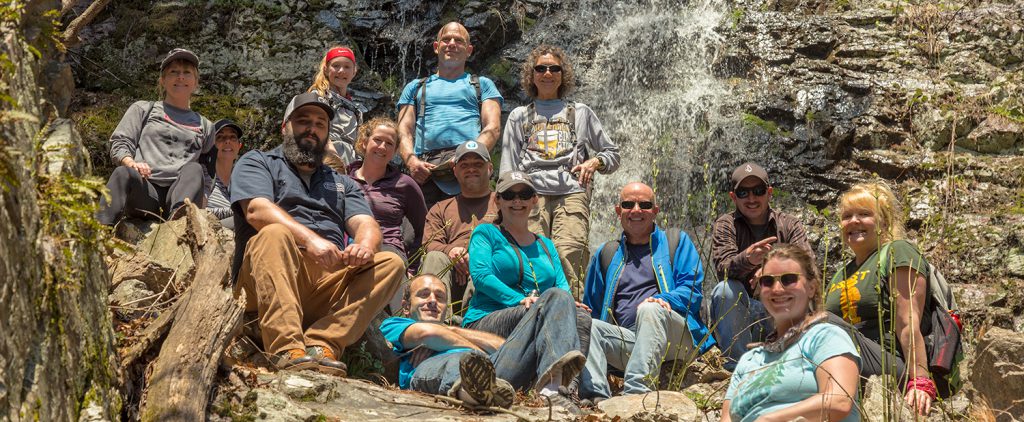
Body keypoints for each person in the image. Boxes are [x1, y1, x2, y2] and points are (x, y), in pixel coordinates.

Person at [230, 92, 405, 377]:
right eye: (303, 121)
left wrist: (365, 246)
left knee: (391, 263)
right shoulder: (258, 161)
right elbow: (256, 211)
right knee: (274, 234)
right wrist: (310, 240)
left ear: (327, 134)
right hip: (268, 279)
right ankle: (285, 348)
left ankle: (322, 343)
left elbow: (367, 225)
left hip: (327, 284)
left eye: (320, 124)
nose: (312, 129)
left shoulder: (342, 182)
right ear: (285, 126)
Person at [500, 44, 620, 296]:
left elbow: (613, 154)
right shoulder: (519, 115)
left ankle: (573, 315)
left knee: (569, 253)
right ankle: (530, 314)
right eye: (540, 68)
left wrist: (594, 162)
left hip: (572, 194)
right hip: (530, 196)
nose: (547, 73)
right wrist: (508, 200)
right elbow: (508, 168)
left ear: (562, 75)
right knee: (531, 257)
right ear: (531, 75)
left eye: (554, 68)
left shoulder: (581, 112)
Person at [580, 182, 714, 400]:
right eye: (628, 204)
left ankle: (636, 393)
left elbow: (692, 292)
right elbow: (593, 307)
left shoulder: (676, 241)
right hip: (631, 342)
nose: (635, 210)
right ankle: (596, 397)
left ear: (655, 211)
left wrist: (660, 300)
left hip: (676, 338)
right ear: (617, 211)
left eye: (644, 204)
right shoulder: (606, 253)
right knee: (589, 326)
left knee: (650, 310)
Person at [380, 274, 586, 411]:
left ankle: (551, 393)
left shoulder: (454, 328)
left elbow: (500, 346)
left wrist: (448, 331)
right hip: (432, 369)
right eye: (423, 295)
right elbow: (427, 333)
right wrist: (476, 352)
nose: (433, 300)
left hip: (494, 370)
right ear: (406, 306)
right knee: (458, 362)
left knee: (558, 296)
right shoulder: (394, 323)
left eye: (440, 296)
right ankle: (474, 392)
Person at [464, 172, 592, 376]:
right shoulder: (486, 233)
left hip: (535, 310)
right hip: (488, 317)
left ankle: (567, 388)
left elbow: (561, 283)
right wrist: (519, 300)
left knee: (582, 318)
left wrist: (568, 301)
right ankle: (550, 383)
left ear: (534, 200)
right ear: (498, 200)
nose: (517, 201)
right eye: (509, 195)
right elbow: (481, 277)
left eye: (524, 194)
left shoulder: (546, 244)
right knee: (542, 311)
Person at [826, 182, 935, 416]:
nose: (853, 221)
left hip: (889, 363)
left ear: (883, 220)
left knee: (819, 321)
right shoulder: (839, 274)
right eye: (847, 216)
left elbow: (908, 322)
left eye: (864, 214)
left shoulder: (898, 251)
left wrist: (920, 380)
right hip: (845, 361)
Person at [722, 244, 860, 422]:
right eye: (768, 281)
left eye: (788, 279)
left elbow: (839, 401)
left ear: (811, 287)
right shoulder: (749, 360)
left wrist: (770, 419)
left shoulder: (825, 337)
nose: (777, 289)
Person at [709, 162, 813, 370]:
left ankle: (794, 360)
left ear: (769, 192)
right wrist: (747, 259)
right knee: (724, 290)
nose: (752, 198)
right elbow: (723, 269)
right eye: (743, 192)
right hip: (744, 319)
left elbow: (808, 265)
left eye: (758, 191)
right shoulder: (725, 225)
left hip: (782, 313)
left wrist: (771, 272)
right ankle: (737, 368)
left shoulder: (790, 224)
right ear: (733, 197)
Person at [98, 48, 214, 225]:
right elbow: (120, 142)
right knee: (123, 173)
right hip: (146, 191)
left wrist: (204, 200)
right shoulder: (144, 109)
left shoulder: (205, 125)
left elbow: (207, 171)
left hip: (182, 194)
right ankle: (99, 232)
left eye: (187, 73)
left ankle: (178, 222)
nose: (180, 77)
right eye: (173, 72)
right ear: (162, 80)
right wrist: (131, 164)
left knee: (194, 169)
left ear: (196, 82)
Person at [396, 22, 503, 207]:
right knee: (419, 232)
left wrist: (468, 153)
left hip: (469, 162)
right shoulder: (415, 87)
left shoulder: (482, 84)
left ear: (469, 50)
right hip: (425, 167)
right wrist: (411, 161)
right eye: (446, 39)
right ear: (437, 47)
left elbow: (493, 127)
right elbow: (403, 129)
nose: (452, 43)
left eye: (458, 41)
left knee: (470, 229)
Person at [419, 140, 498, 314]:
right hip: (450, 279)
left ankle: (477, 323)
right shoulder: (441, 208)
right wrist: (452, 252)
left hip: (489, 280)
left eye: (478, 164)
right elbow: (428, 244)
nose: (471, 169)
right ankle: (435, 326)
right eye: (464, 165)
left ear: (490, 168)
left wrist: (476, 258)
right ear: (455, 171)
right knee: (434, 257)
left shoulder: (503, 203)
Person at [345, 117, 426, 262]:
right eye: (377, 140)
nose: (382, 147)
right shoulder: (343, 178)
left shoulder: (405, 184)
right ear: (364, 142)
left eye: (389, 143)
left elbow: (423, 229)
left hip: (387, 251)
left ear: (395, 151)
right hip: (347, 248)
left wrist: (413, 266)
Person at [308, 45, 365, 167]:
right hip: (323, 162)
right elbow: (314, 130)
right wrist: (334, 159)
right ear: (326, 69)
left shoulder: (356, 110)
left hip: (350, 165)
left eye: (347, 67)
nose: (341, 71)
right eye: (336, 66)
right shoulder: (317, 97)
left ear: (354, 71)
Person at [206, 119, 242, 229]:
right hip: (212, 231)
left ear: (239, 146)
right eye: (220, 137)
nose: (227, 141)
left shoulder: (243, 181)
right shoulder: (204, 176)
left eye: (233, 137)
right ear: (211, 145)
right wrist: (238, 210)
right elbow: (196, 211)